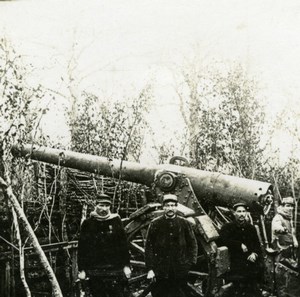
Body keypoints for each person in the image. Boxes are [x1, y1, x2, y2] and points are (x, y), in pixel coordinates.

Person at [77, 193, 131, 297]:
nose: (104, 208)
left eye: (107, 206)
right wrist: (82, 269)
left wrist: (126, 266)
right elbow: (83, 248)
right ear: (96, 205)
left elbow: (123, 245)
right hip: (95, 271)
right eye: (101, 205)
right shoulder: (88, 223)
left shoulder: (116, 221)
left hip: (115, 270)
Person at [145, 194, 198, 297]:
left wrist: (190, 263)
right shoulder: (155, 224)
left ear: (176, 207)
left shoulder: (184, 223)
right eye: (167, 206)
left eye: (173, 205)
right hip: (161, 269)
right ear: (163, 207)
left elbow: (193, 244)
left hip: (180, 269)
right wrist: (150, 268)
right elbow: (149, 247)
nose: (170, 208)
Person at [219, 202, 263, 297]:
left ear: (247, 213)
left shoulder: (251, 228)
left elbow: (257, 245)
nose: (242, 214)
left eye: (244, 211)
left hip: (251, 263)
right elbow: (223, 241)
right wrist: (239, 245)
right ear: (234, 213)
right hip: (235, 264)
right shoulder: (227, 227)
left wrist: (254, 254)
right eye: (239, 211)